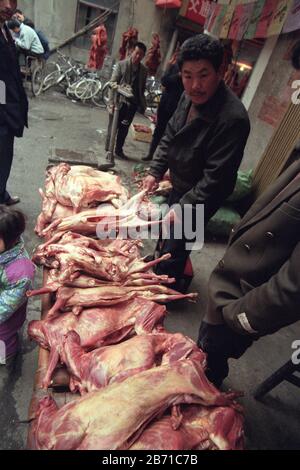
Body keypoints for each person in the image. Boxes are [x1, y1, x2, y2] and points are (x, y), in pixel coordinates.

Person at [143, 34, 250, 291]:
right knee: (167, 230)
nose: (194, 85)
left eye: (203, 75)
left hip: (205, 193)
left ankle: (165, 287)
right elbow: (170, 133)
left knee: (180, 239)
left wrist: (182, 207)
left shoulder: (233, 119)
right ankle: (159, 263)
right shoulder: (187, 96)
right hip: (181, 181)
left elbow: (214, 179)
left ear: (221, 71)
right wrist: (155, 171)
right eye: (187, 75)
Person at [197, 159, 300, 387]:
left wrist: (237, 316)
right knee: (203, 347)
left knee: (210, 359)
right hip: (228, 285)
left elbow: (292, 290)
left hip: (242, 303)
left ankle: (207, 392)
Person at [0, 0, 28, 206]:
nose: (8, 5)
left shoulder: (6, 30)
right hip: (3, 108)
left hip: (10, 105)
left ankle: (1, 193)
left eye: (12, 1)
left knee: (5, 155)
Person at [0, 205, 35, 364]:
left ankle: (6, 354)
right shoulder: (4, 248)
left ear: (10, 240)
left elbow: (4, 309)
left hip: (4, 319)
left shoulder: (21, 273)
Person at [106, 41, 147, 160]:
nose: (138, 56)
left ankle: (119, 150)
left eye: (141, 55)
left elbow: (142, 88)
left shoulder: (144, 70)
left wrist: (142, 105)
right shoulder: (121, 65)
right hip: (119, 101)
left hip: (132, 104)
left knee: (124, 128)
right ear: (132, 52)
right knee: (113, 126)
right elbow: (112, 83)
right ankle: (109, 150)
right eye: (137, 53)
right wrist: (111, 102)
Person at [142, 59, 184, 162]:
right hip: (165, 105)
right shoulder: (174, 67)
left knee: (171, 135)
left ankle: (162, 160)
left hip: (178, 108)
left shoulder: (190, 72)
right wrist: (178, 76)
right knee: (158, 131)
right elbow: (164, 80)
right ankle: (150, 154)